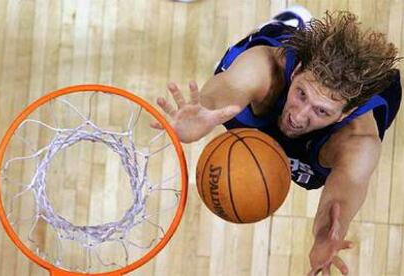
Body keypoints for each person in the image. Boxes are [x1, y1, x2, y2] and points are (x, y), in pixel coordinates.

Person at [152, 6, 402, 276]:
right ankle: (290, 24)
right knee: (239, 84)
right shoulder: (263, 66)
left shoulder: (358, 141)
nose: (299, 115)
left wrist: (323, 235)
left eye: (321, 111)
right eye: (302, 94)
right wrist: (203, 115)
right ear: (296, 73)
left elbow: (341, 196)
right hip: (269, 96)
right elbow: (229, 88)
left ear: (347, 112)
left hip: (320, 145)